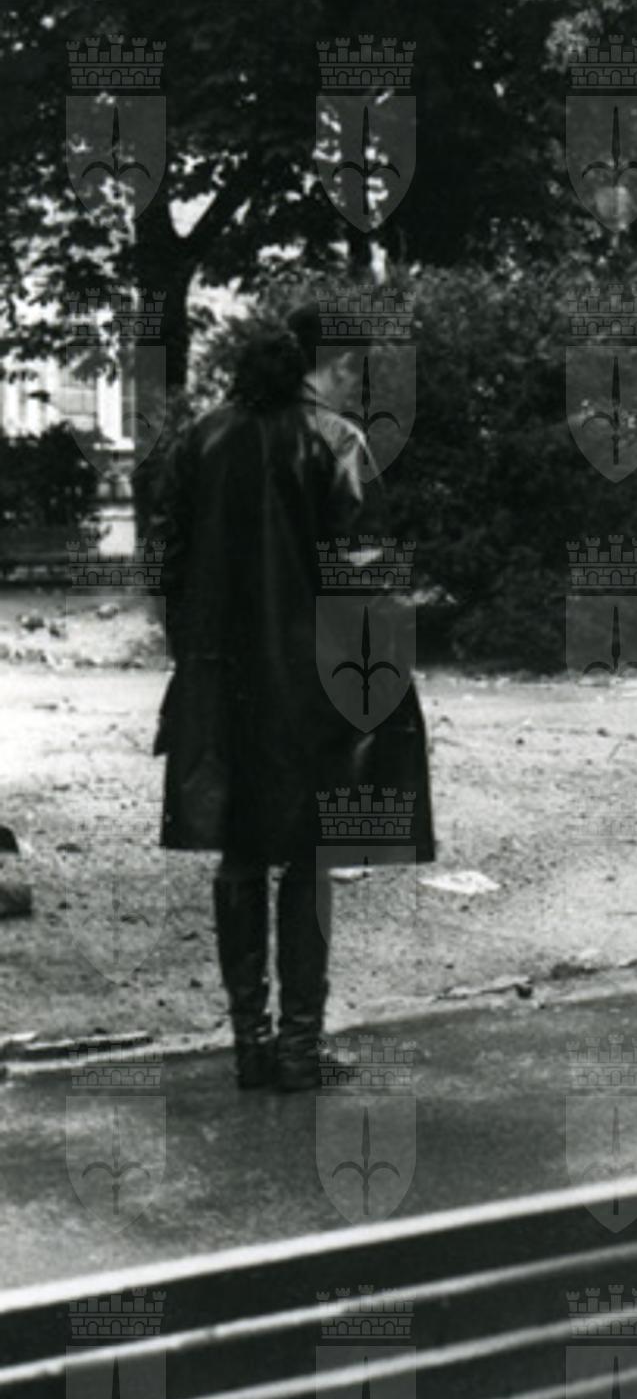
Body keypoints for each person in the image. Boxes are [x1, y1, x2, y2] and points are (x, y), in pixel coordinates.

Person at [153, 315, 435, 1091]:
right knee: (310, 855)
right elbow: (362, 566)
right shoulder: (338, 441)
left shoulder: (202, 440)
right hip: (315, 678)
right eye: (348, 371)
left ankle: (250, 1042)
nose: (352, 385)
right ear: (325, 370)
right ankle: (300, 1047)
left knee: (240, 852)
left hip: (222, 678)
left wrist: (192, 653)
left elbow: (169, 559)